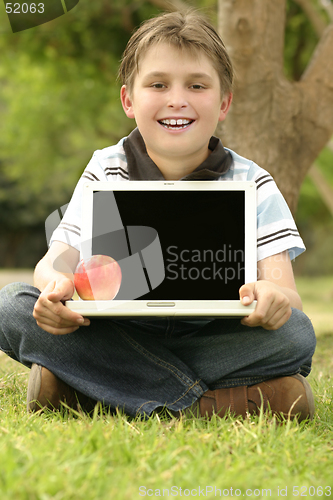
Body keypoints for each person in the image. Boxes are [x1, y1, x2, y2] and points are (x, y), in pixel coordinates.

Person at [0, 10, 316, 421]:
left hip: (213, 336)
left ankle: (94, 389)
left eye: (197, 85)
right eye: (158, 84)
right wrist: (55, 285)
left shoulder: (254, 183)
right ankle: (204, 405)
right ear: (129, 100)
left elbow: (285, 292)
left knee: (296, 333)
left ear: (224, 103)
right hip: (122, 331)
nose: (177, 99)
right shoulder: (106, 167)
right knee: (12, 306)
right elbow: (56, 261)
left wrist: (273, 300)